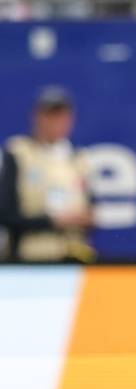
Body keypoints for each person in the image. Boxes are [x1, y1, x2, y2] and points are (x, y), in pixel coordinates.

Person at [0, 86, 93, 262]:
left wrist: (85, 218)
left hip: (73, 257)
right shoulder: (19, 153)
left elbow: (91, 208)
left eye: (62, 116)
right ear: (37, 117)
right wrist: (52, 222)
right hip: (30, 261)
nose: (57, 122)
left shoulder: (78, 158)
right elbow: (5, 214)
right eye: (51, 116)